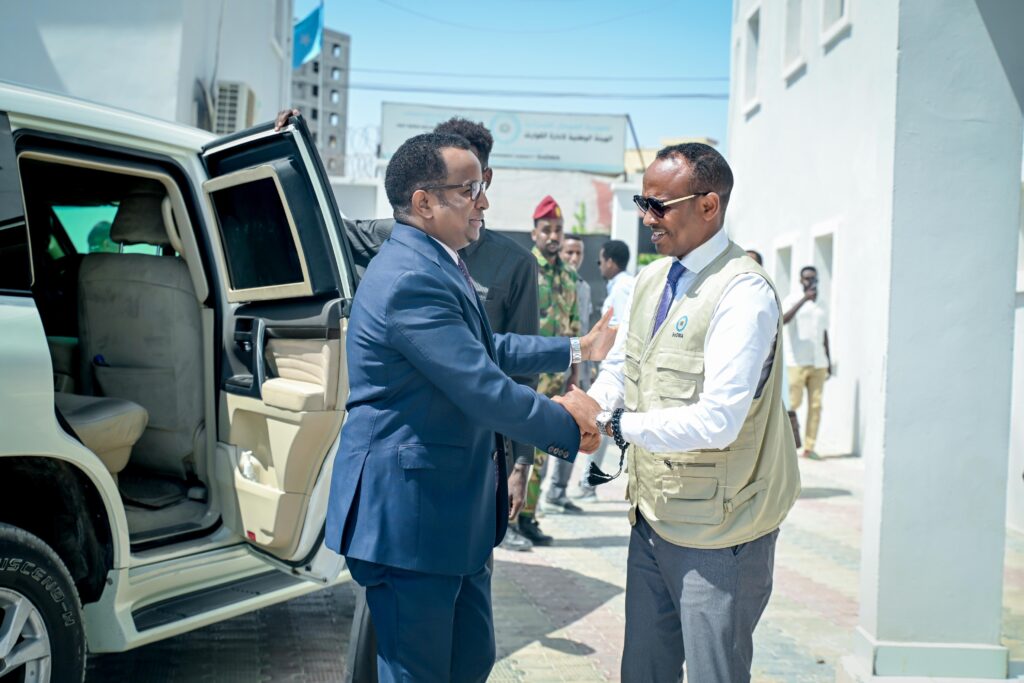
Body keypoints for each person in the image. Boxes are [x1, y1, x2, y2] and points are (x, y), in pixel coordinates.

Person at [325, 132, 613, 682]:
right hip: (411, 519)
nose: (483, 201)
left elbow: (483, 348)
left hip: (449, 515)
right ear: (424, 202)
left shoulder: (435, 261)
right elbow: (481, 385)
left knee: (469, 662)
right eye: (470, 189)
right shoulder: (410, 277)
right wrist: (571, 424)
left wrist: (577, 348)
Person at [555, 142, 801, 682]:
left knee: (715, 673)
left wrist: (612, 425)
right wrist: (593, 407)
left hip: (720, 534)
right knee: (644, 670)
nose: (647, 218)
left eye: (658, 206)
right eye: (642, 203)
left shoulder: (743, 293)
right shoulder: (652, 280)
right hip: (652, 518)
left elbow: (718, 421)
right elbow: (622, 367)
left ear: (709, 206)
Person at [276, 109, 540, 550]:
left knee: (468, 574)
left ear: (486, 178)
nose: (475, 197)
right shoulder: (395, 238)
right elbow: (320, 228)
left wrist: (520, 464)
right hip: (415, 465)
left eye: (474, 182)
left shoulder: (515, 264)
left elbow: (515, 365)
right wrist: (293, 155)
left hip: (480, 459)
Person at [519, 196, 584, 544]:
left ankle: (528, 516)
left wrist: (575, 374)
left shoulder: (569, 275)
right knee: (519, 450)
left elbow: (574, 327)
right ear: (535, 233)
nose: (553, 235)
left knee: (544, 451)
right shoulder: (524, 268)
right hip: (527, 377)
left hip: (556, 380)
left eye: (558, 229)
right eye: (547, 229)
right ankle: (509, 521)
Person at [574, 238, 636, 501]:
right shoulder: (623, 285)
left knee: (602, 421)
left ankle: (589, 484)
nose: (599, 266)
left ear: (610, 261)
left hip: (618, 368)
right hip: (616, 366)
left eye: (600, 261)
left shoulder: (622, 288)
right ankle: (588, 483)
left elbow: (622, 330)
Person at [782, 265, 831, 458]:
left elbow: (824, 333)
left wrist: (828, 359)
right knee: (792, 404)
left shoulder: (822, 304)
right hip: (796, 362)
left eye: (813, 278)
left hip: (819, 362)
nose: (811, 281)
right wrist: (804, 299)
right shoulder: (792, 299)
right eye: (807, 278)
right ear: (800, 280)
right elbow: (783, 320)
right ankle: (785, 443)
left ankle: (810, 447)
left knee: (816, 406)